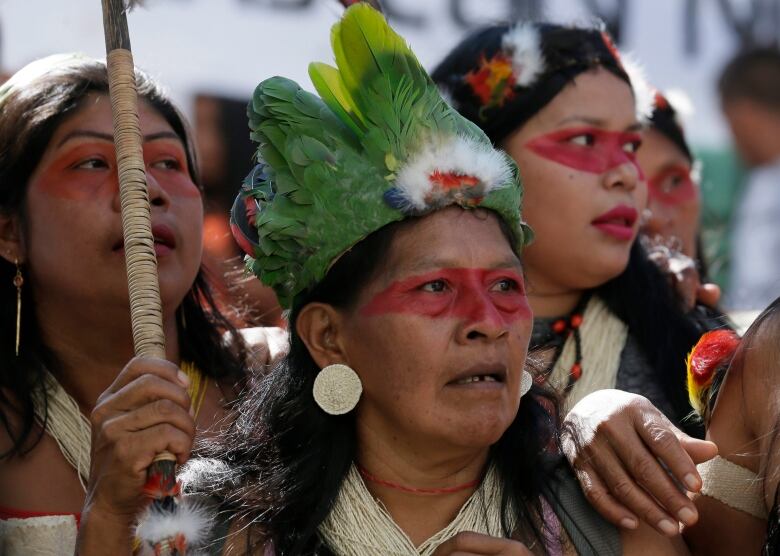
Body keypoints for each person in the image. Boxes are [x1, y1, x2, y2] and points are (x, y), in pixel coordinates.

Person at [101, 5, 693, 555]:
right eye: (435, 287)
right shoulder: (213, 519)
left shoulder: (613, 514)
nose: (487, 323)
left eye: (507, 287)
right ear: (328, 336)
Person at [0, 53, 281, 554]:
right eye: (91, 162)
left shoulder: (280, 384)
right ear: (9, 231)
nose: (144, 188)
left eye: (168, 163)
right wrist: (107, 516)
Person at [430, 23, 716, 443]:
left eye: (630, 146)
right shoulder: (385, 337)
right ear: (475, 163)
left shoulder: (690, 341)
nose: (625, 175)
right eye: (583, 139)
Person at [719, 47, 780, 310]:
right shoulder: (760, 182)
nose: (730, 138)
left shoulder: (766, 184)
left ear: (744, 113)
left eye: (728, 122)